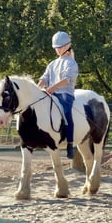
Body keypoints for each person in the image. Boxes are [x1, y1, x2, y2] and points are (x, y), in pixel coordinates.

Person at [38, 31, 78, 159]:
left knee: (66, 112)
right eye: (56, 48)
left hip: (65, 94)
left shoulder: (71, 63)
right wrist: (37, 88)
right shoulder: (52, 64)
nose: (57, 50)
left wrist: (52, 88)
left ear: (67, 46)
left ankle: (70, 143)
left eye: (59, 47)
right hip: (51, 92)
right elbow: (44, 78)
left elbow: (67, 80)